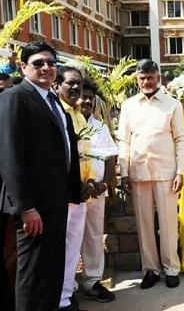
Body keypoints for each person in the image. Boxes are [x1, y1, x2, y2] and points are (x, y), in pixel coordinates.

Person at [0, 41, 81, 310]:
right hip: (33, 207)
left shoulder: (52, 99)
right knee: (33, 276)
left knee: (51, 272)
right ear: (24, 67)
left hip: (56, 201)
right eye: (38, 63)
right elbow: (10, 156)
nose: (46, 68)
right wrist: (25, 207)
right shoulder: (15, 97)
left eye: (51, 63)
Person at [118, 59, 184, 289]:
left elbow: (180, 139)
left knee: (168, 223)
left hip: (166, 171)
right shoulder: (128, 105)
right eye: (142, 78)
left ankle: (171, 269)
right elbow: (123, 139)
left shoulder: (172, 104)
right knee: (144, 223)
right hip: (138, 171)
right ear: (137, 79)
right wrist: (124, 172)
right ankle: (151, 270)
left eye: (150, 77)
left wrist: (180, 171)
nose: (146, 82)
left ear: (158, 78)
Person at [56, 65, 95, 311]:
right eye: (69, 83)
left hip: (83, 194)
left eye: (78, 84)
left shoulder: (80, 115)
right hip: (63, 195)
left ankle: (66, 296)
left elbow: (87, 154)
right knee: (59, 250)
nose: (75, 87)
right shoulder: (58, 112)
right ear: (57, 86)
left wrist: (90, 182)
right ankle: (57, 296)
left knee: (72, 250)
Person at [79, 78, 118, 302]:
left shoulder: (100, 127)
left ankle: (92, 282)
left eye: (90, 98)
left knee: (93, 236)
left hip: (97, 192)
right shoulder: (67, 122)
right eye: (83, 96)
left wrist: (105, 183)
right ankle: (65, 287)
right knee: (70, 239)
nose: (86, 101)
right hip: (74, 194)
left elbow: (111, 156)